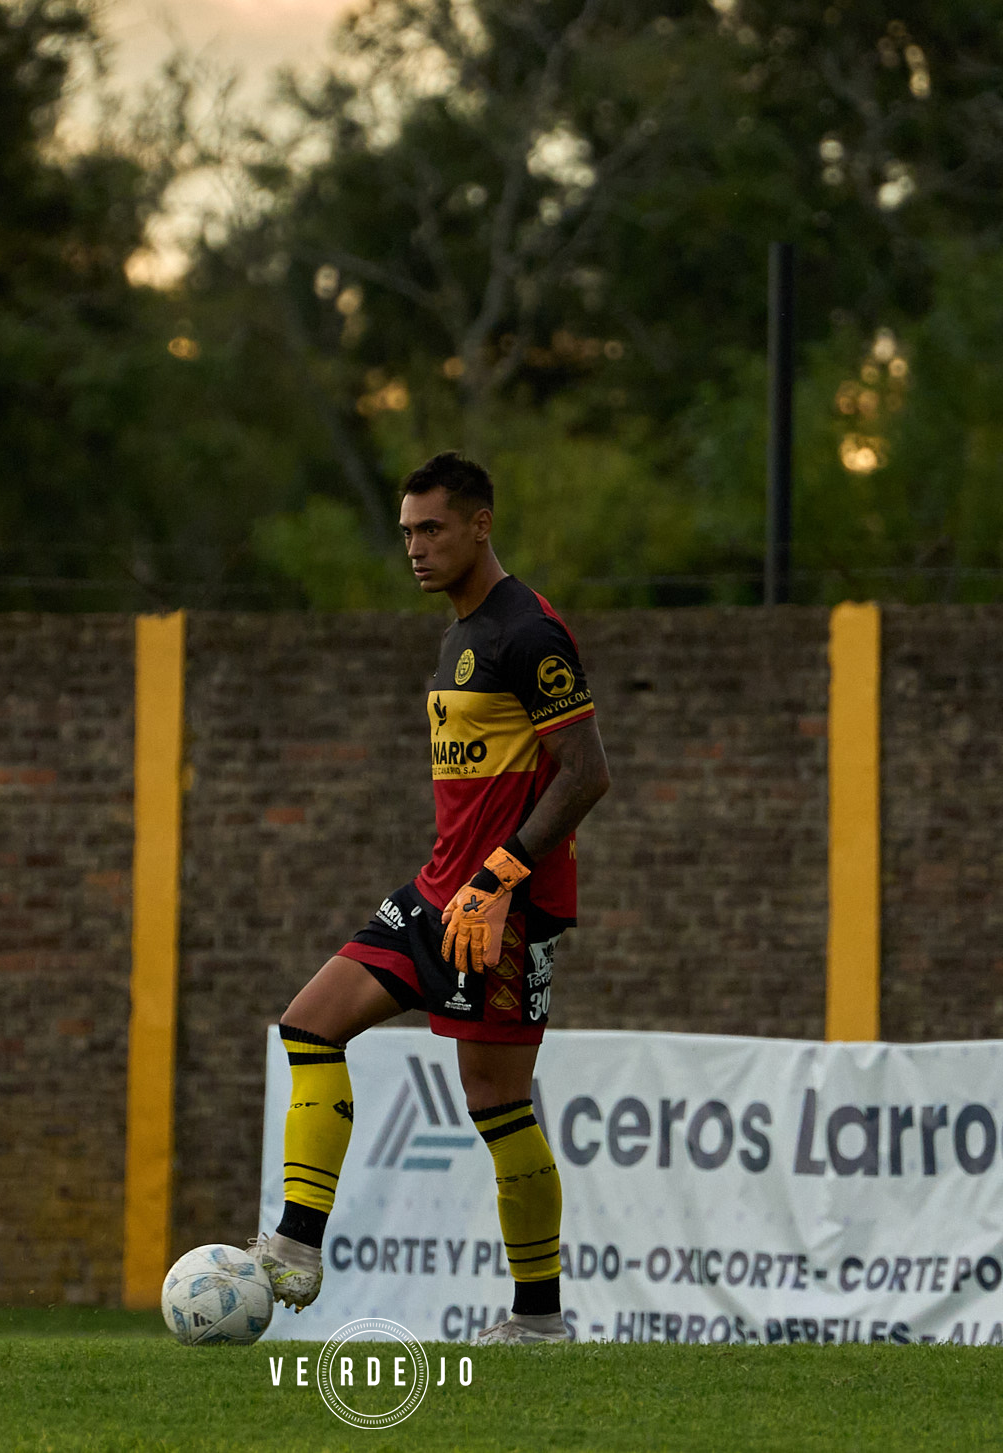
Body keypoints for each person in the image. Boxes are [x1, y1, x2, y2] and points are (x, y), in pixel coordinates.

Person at [251, 451, 611, 1345]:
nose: (414, 546)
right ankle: (295, 1247)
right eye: (407, 531)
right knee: (310, 1023)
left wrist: (499, 880)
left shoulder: (529, 631)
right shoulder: (456, 633)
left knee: (497, 1107)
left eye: (432, 529)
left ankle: (538, 1320)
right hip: (434, 894)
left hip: (501, 910)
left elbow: (586, 774)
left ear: (480, 525)